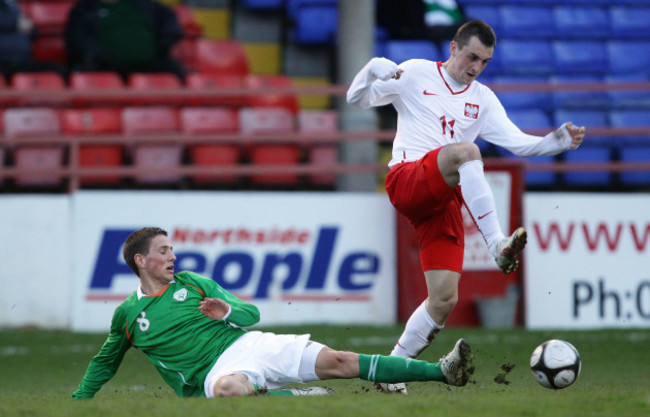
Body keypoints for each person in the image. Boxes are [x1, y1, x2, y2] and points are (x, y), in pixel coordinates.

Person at [346, 20, 585, 394]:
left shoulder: (483, 100)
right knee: (467, 152)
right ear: (454, 48)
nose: (476, 67)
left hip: (441, 199)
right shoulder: (415, 73)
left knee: (444, 299)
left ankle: (391, 374)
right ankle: (495, 244)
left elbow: (519, 144)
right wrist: (373, 67)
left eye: (485, 61)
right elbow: (356, 99)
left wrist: (557, 141)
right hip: (407, 180)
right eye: (472, 56)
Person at [72, 227, 474, 399]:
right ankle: (292, 395)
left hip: (247, 343)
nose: (172, 256)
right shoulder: (128, 316)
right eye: (163, 251)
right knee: (232, 391)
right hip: (212, 375)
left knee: (340, 360)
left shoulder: (193, 282)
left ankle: (443, 372)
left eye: (172, 249)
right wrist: (79, 400)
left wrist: (225, 309)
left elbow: (250, 314)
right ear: (141, 261)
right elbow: (104, 362)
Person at [64, 0, 187, 82]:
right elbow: (77, 41)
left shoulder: (143, 4)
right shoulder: (84, 9)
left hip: (148, 64)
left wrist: (162, 45)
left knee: (174, 70)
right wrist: (100, 57)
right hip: (104, 67)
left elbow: (169, 21)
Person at [0, 0, 67, 83]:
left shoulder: (12, 5)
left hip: (22, 62)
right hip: (3, 62)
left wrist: (30, 27)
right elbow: (18, 23)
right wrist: (14, 23)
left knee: (59, 71)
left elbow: (33, 32)